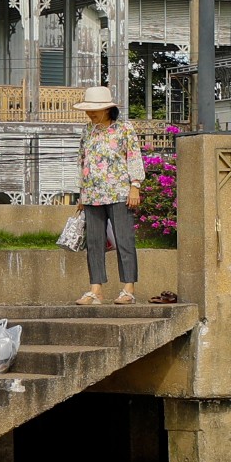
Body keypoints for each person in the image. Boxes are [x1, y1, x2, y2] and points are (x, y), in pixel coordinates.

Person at [73, 84, 142, 306]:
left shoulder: (124, 129)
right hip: (92, 194)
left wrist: (135, 186)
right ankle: (96, 290)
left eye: (95, 109)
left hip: (120, 193)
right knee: (94, 242)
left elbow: (133, 157)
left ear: (107, 109)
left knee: (124, 240)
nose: (90, 113)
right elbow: (82, 162)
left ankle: (128, 288)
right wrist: (82, 193)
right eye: (88, 109)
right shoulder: (87, 131)